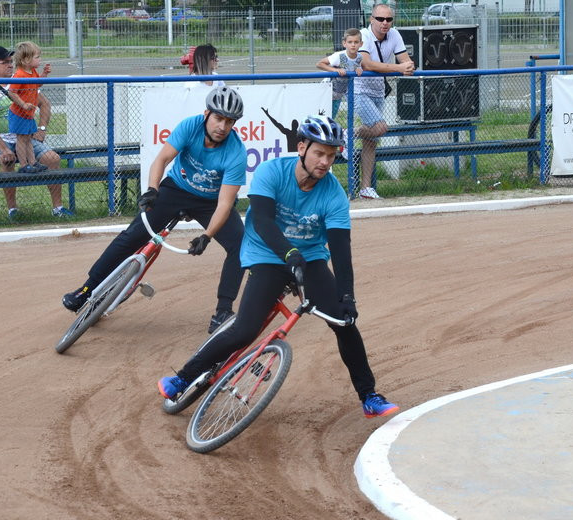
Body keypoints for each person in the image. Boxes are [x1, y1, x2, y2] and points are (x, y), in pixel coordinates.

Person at [157, 115, 400, 419]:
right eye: (319, 153)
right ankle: (181, 378)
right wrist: (289, 254)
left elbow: (340, 248)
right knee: (244, 330)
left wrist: (347, 297)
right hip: (266, 254)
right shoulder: (271, 172)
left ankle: (369, 396)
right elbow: (262, 221)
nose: (325, 161)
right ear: (301, 147)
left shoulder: (334, 194)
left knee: (344, 324)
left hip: (308, 258)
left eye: (331, 154)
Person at [63, 86, 248, 334]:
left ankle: (223, 311)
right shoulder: (190, 126)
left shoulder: (236, 152)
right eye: (218, 118)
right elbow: (161, 160)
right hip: (177, 189)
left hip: (211, 202)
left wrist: (207, 236)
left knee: (240, 246)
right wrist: (152, 189)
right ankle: (87, 290)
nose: (222, 126)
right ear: (206, 113)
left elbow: (225, 203)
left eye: (229, 121)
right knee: (133, 235)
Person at [0, 45, 72, 220]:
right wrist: (3, 149)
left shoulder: (21, 78)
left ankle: (58, 208)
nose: (10, 65)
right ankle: (13, 210)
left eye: (11, 61)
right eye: (5, 62)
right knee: (7, 160)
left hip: (24, 136)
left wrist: (41, 129)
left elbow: (45, 104)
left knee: (53, 159)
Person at [354, 3, 414, 200]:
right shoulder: (363, 36)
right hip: (360, 89)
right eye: (380, 19)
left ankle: (365, 189)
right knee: (380, 127)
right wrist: (398, 68)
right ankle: (346, 134)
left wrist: (408, 65)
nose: (385, 23)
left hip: (378, 90)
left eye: (388, 19)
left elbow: (405, 60)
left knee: (370, 141)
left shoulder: (395, 34)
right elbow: (367, 63)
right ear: (372, 20)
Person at [7, 40, 50, 174]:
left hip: (29, 114)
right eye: (37, 57)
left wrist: (44, 74)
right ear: (26, 60)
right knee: (21, 139)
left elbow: (38, 84)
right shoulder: (19, 74)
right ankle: (24, 165)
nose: (40, 60)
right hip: (19, 113)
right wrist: (23, 104)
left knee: (28, 139)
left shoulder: (33, 72)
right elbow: (11, 92)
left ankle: (32, 162)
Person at [316, 28, 364, 119]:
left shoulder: (359, 57)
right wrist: (335, 70)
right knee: (321, 117)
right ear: (344, 43)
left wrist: (358, 68)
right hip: (327, 91)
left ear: (361, 44)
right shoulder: (339, 56)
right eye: (350, 42)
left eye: (356, 42)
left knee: (331, 118)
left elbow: (354, 65)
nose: (353, 45)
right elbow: (319, 64)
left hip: (339, 94)